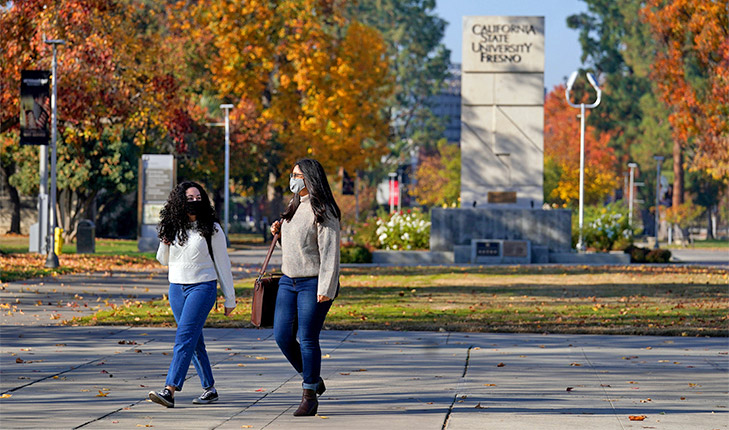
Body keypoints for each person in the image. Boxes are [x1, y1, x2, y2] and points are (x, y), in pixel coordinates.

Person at [148, 181, 236, 408]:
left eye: (199, 198)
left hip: (202, 287)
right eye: (190, 198)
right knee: (194, 341)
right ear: (180, 201)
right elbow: (163, 259)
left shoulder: (212, 229)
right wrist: (165, 243)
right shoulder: (173, 226)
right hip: (176, 288)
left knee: (184, 338)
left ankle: (169, 389)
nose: (195, 201)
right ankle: (210, 388)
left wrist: (230, 298)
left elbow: (223, 264)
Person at [270, 158, 341, 417]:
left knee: (308, 338)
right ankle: (313, 376)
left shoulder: (324, 210)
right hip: (288, 281)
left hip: (313, 282)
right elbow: (297, 250)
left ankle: (309, 395)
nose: (293, 178)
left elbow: (330, 253)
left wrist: (327, 287)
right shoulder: (294, 205)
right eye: (292, 173)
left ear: (310, 178)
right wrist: (278, 234)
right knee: (282, 336)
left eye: (298, 174)